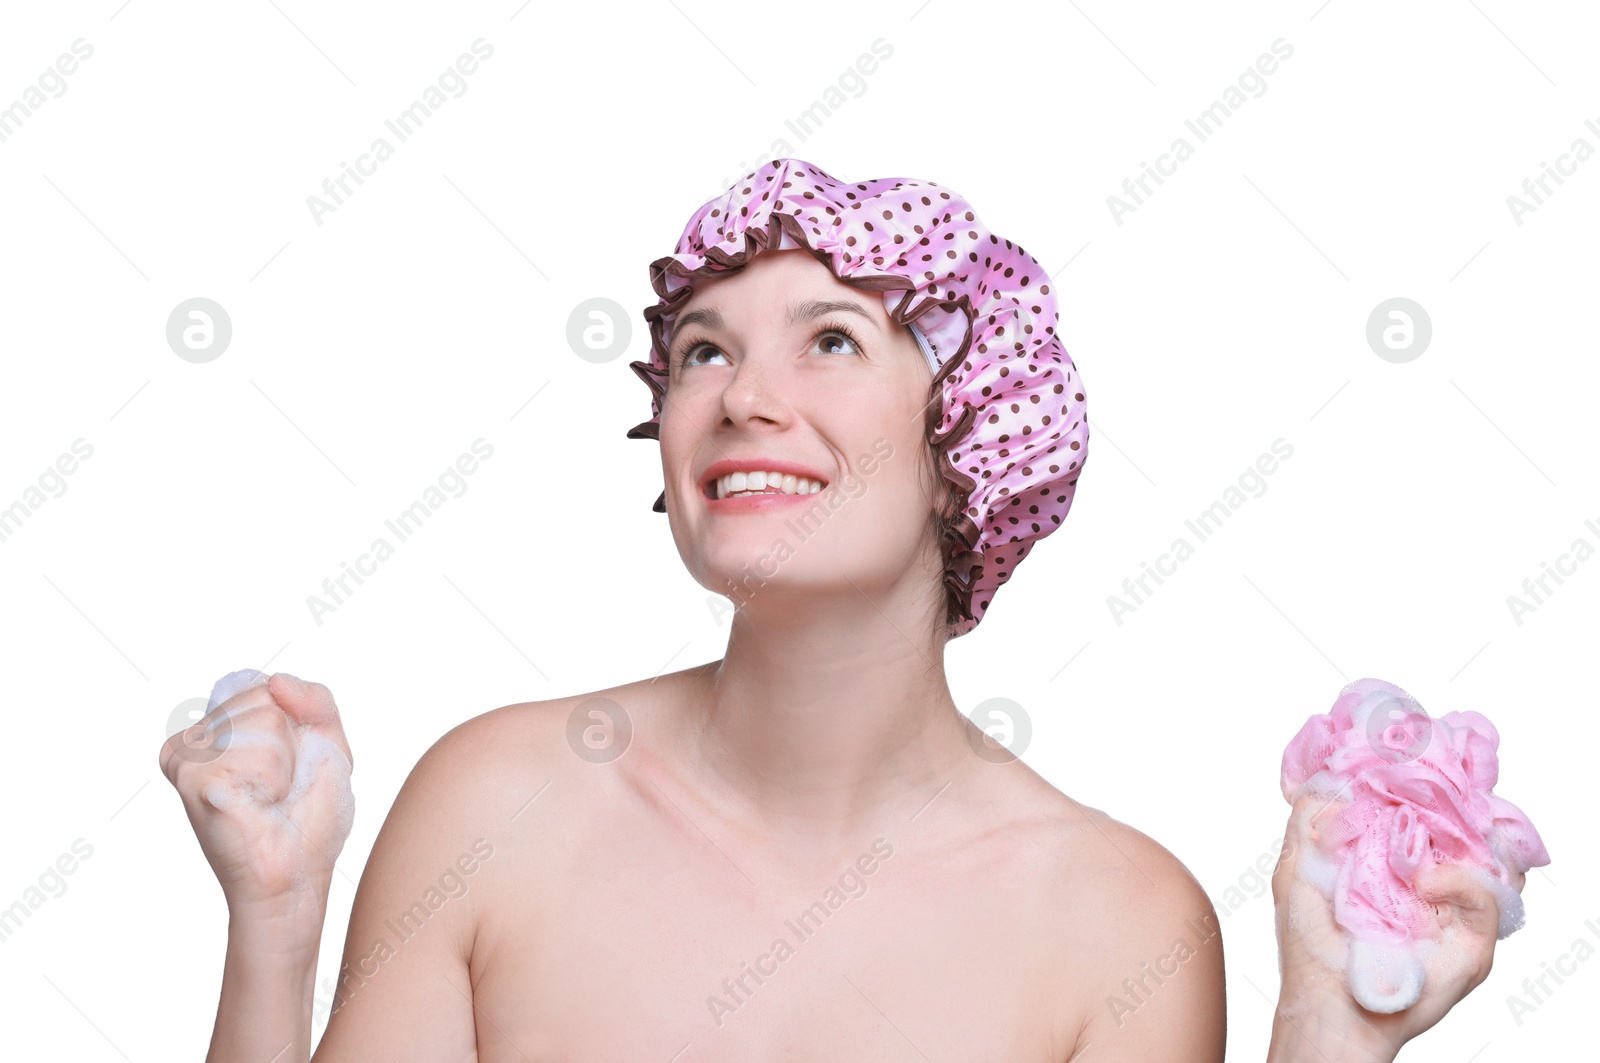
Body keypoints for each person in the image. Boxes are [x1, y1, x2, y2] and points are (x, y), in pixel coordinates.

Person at [160, 159, 1518, 1062]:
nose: (743, 395)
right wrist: (274, 929)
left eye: (831, 339)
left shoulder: (1117, 920)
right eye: (703, 349)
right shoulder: (496, 799)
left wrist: (1330, 1048)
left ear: (968, 441)